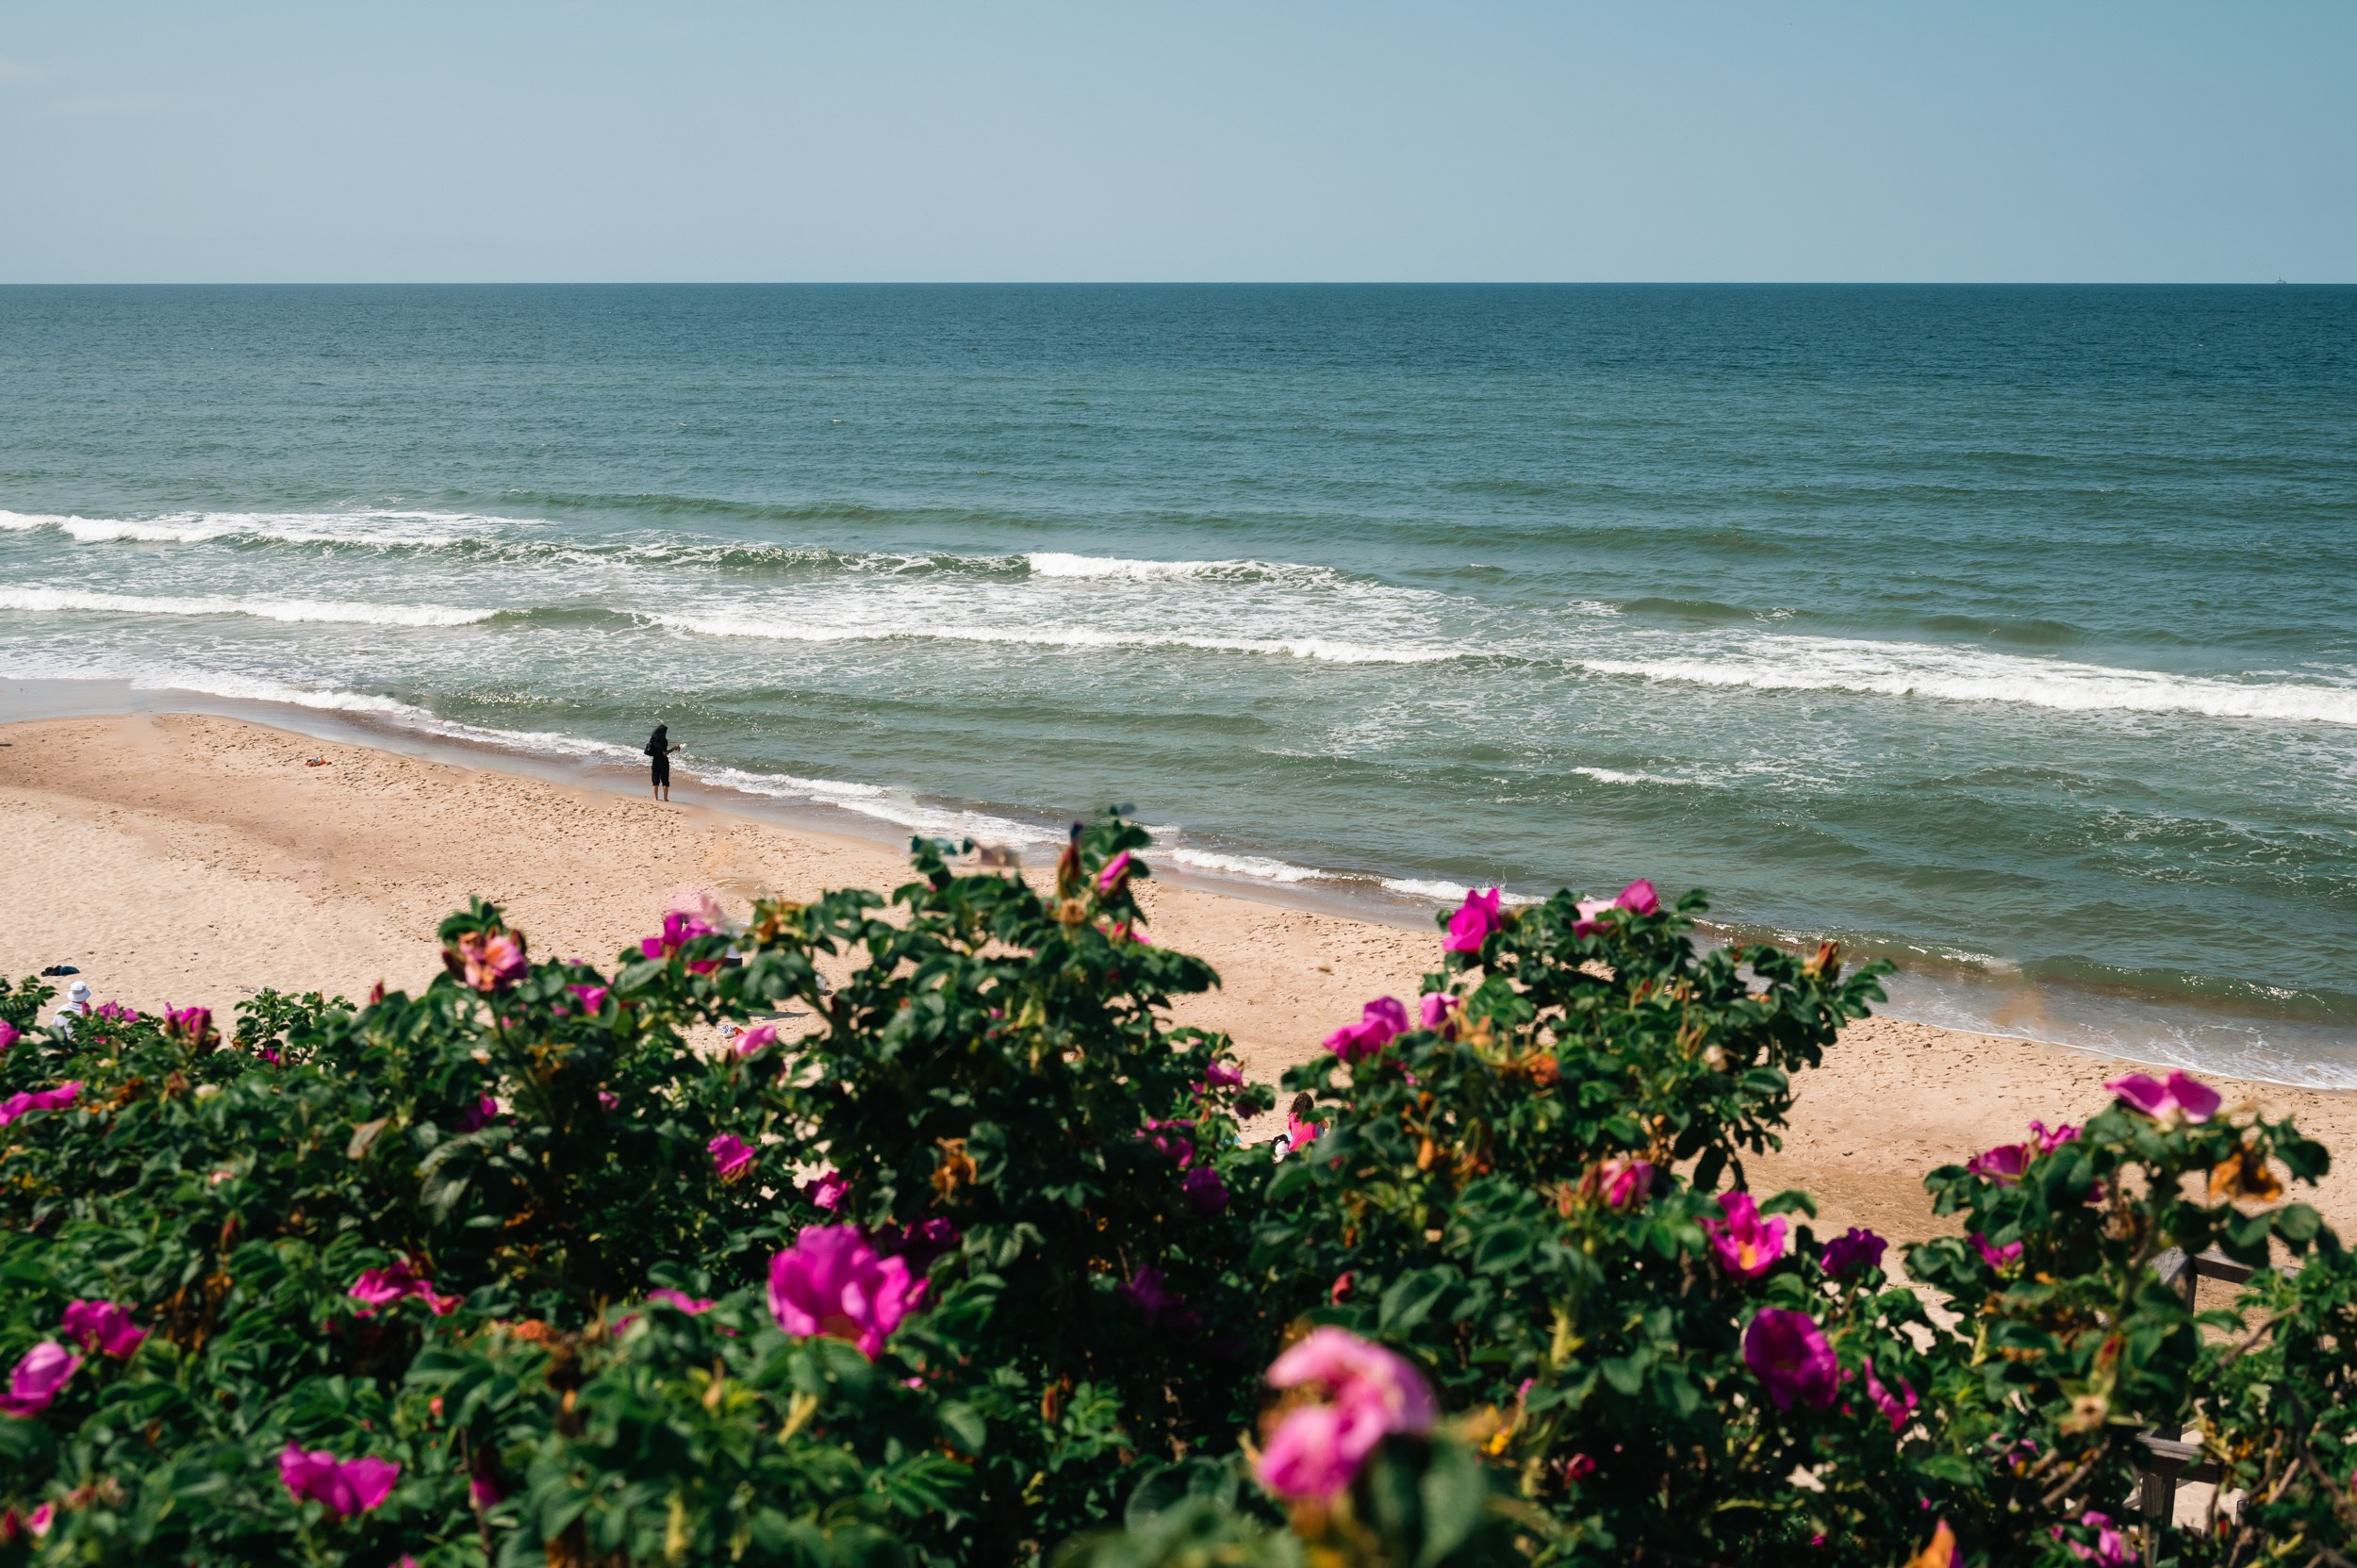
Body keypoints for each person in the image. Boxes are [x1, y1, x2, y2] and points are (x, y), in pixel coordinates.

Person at [644, 724, 682, 801]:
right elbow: (664, 753)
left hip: (655, 761)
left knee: (655, 779)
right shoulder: (664, 741)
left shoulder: (653, 740)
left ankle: (655, 798)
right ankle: (665, 798)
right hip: (663, 761)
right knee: (665, 780)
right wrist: (673, 748)